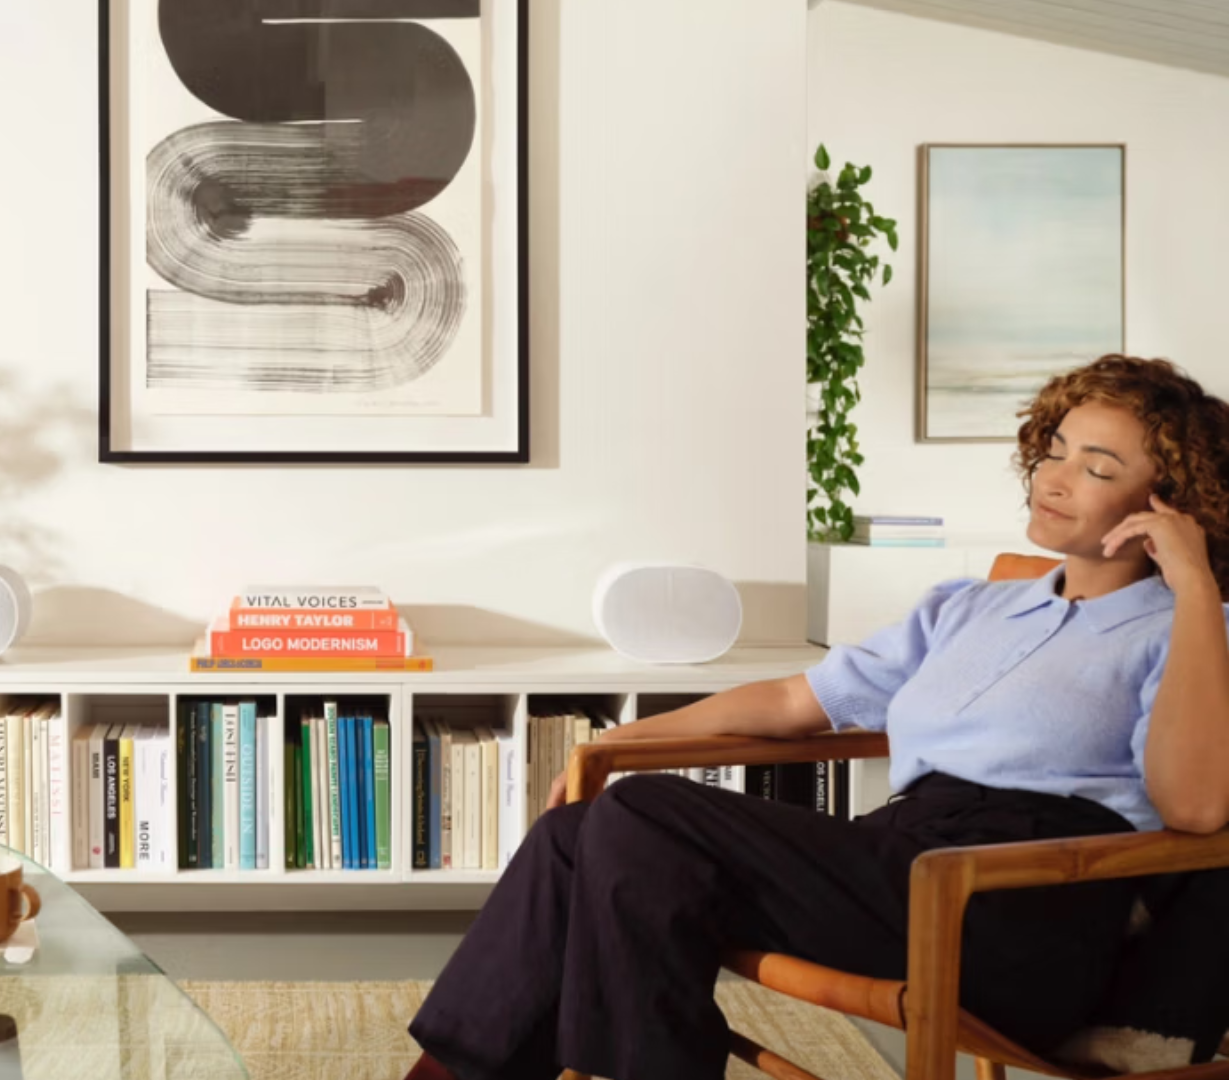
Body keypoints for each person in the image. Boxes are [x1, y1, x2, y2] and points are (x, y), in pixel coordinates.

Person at [405, 355, 1229, 1080]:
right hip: (899, 857)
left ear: (1170, 499)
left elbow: (1197, 810)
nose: (1052, 476)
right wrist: (620, 739)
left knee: (642, 816)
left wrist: (1194, 585)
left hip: (1010, 904)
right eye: (1054, 448)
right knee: (573, 836)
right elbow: (798, 701)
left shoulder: (1196, 632)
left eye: (1096, 465)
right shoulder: (971, 606)